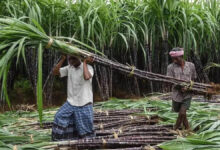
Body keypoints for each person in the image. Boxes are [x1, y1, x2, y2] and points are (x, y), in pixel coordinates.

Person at [51, 55, 95, 141]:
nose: (71, 61)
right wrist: (62, 58)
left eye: (73, 58)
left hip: (84, 103)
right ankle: (62, 141)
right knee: (59, 117)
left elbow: (87, 77)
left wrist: (85, 62)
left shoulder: (88, 68)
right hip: (71, 102)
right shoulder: (69, 68)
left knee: (85, 129)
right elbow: (55, 72)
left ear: (80, 58)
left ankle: (86, 144)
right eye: (69, 59)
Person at [166, 47, 197, 130]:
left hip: (188, 94)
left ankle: (175, 128)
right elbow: (170, 81)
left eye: (176, 58)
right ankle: (187, 128)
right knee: (182, 113)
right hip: (177, 94)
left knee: (183, 111)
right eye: (173, 59)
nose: (174, 60)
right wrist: (180, 87)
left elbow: (193, 78)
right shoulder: (170, 67)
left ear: (181, 56)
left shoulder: (191, 65)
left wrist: (189, 87)